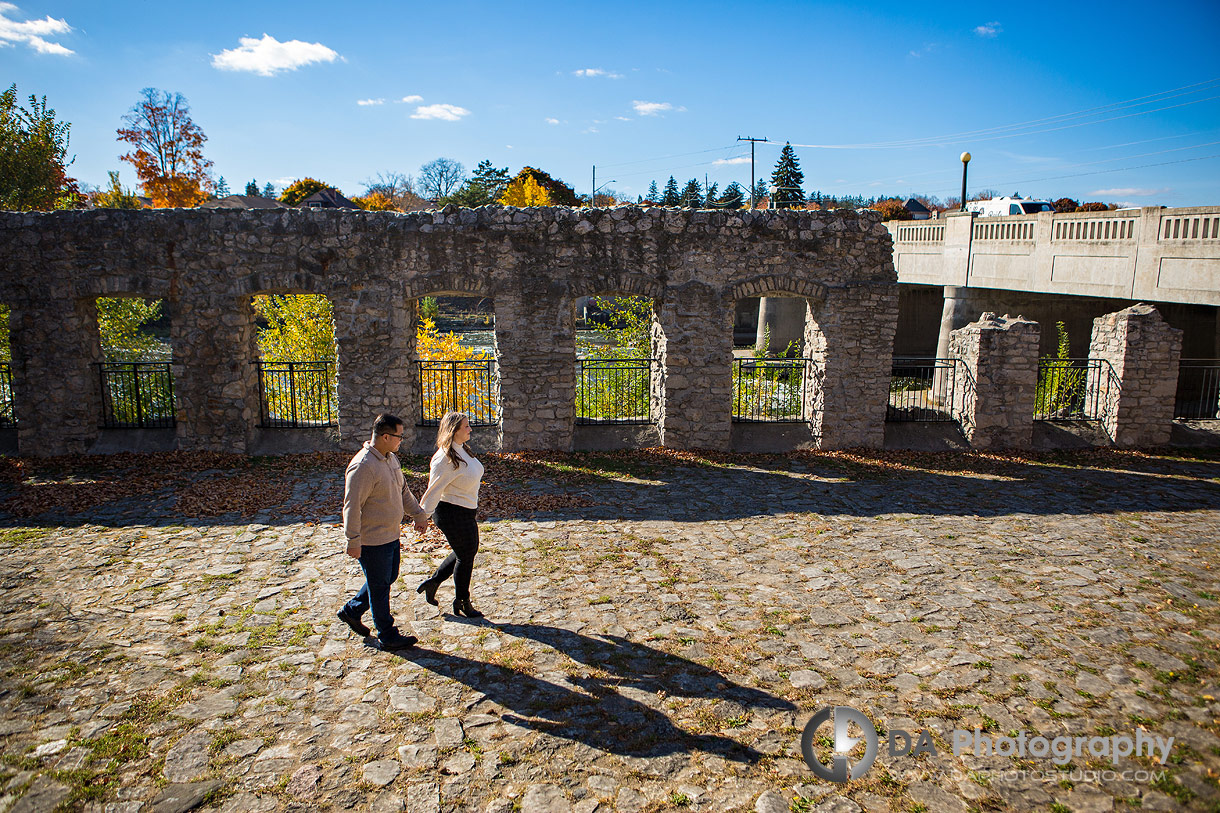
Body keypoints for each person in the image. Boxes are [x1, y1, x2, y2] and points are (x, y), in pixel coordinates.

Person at [337, 413, 429, 651]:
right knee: (379, 587)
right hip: (372, 539)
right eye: (399, 436)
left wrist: (418, 514)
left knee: (388, 577)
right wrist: (353, 540)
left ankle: (352, 611)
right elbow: (352, 506)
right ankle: (387, 635)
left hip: (391, 534)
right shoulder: (363, 466)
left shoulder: (390, 459)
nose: (401, 441)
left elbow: (403, 491)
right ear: (385, 437)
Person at [416, 411, 486, 618]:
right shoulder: (444, 459)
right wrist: (422, 516)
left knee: (465, 552)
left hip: (465, 510)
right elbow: (433, 490)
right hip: (451, 512)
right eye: (466, 426)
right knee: (466, 555)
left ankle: (434, 582)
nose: (470, 429)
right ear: (454, 430)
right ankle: (462, 601)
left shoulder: (461, 449)